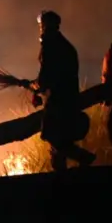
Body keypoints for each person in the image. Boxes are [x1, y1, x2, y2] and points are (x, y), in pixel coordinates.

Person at [22, 10, 95, 171]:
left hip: (58, 99)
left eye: (41, 25)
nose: (40, 28)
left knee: (52, 135)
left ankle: (84, 157)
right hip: (67, 96)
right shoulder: (64, 44)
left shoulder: (50, 42)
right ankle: (61, 183)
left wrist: (36, 87)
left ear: (46, 25)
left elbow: (48, 72)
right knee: (60, 143)